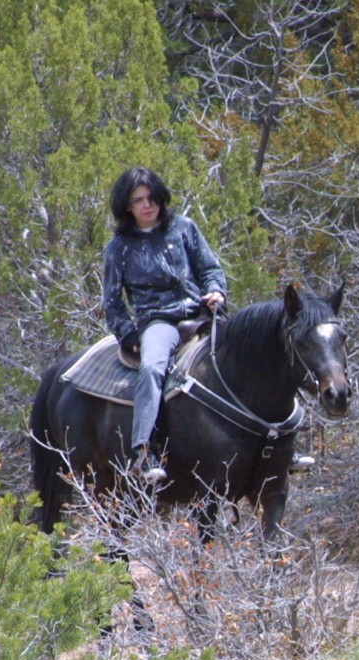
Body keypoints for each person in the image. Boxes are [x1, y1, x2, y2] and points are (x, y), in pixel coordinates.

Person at [102, 166, 227, 481]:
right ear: (127, 207)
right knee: (153, 368)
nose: (148, 205)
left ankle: (281, 438)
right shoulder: (119, 248)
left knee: (253, 347)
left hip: (200, 312)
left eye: (152, 197)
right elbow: (113, 303)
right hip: (159, 321)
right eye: (139, 200)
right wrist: (129, 335)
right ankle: (143, 451)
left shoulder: (184, 228)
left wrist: (215, 291)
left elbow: (210, 268)